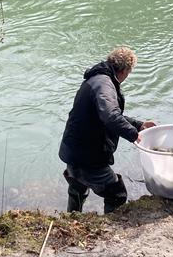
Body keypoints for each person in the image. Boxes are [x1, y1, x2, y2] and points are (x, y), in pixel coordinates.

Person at [59, 47, 156, 213]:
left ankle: (72, 219)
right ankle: (109, 231)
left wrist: (138, 125)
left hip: (73, 150)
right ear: (125, 70)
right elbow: (111, 116)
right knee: (116, 193)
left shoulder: (98, 79)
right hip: (87, 157)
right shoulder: (105, 84)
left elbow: (108, 114)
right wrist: (134, 135)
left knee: (78, 188)